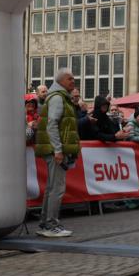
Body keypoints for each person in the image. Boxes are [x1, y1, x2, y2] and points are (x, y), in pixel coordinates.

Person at [33, 68, 81, 237]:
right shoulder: (58, 98)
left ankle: (46, 223)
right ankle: (51, 224)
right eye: (70, 79)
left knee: (52, 187)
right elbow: (52, 124)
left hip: (54, 148)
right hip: (56, 150)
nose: (73, 82)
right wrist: (58, 150)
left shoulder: (58, 97)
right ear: (61, 81)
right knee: (57, 188)